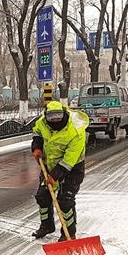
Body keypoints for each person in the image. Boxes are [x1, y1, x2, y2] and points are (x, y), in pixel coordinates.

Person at [31, 101, 89, 240]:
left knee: (65, 200)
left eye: (58, 117)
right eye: (52, 118)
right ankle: (47, 226)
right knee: (42, 196)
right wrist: (36, 146)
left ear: (64, 114)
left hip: (72, 168)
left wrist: (54, 176)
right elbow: (37, 132)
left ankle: (69, 233)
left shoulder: (76, 131)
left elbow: (69, 160)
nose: (55, 120)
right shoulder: (43, 123)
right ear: (46, 116)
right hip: (50, 165)